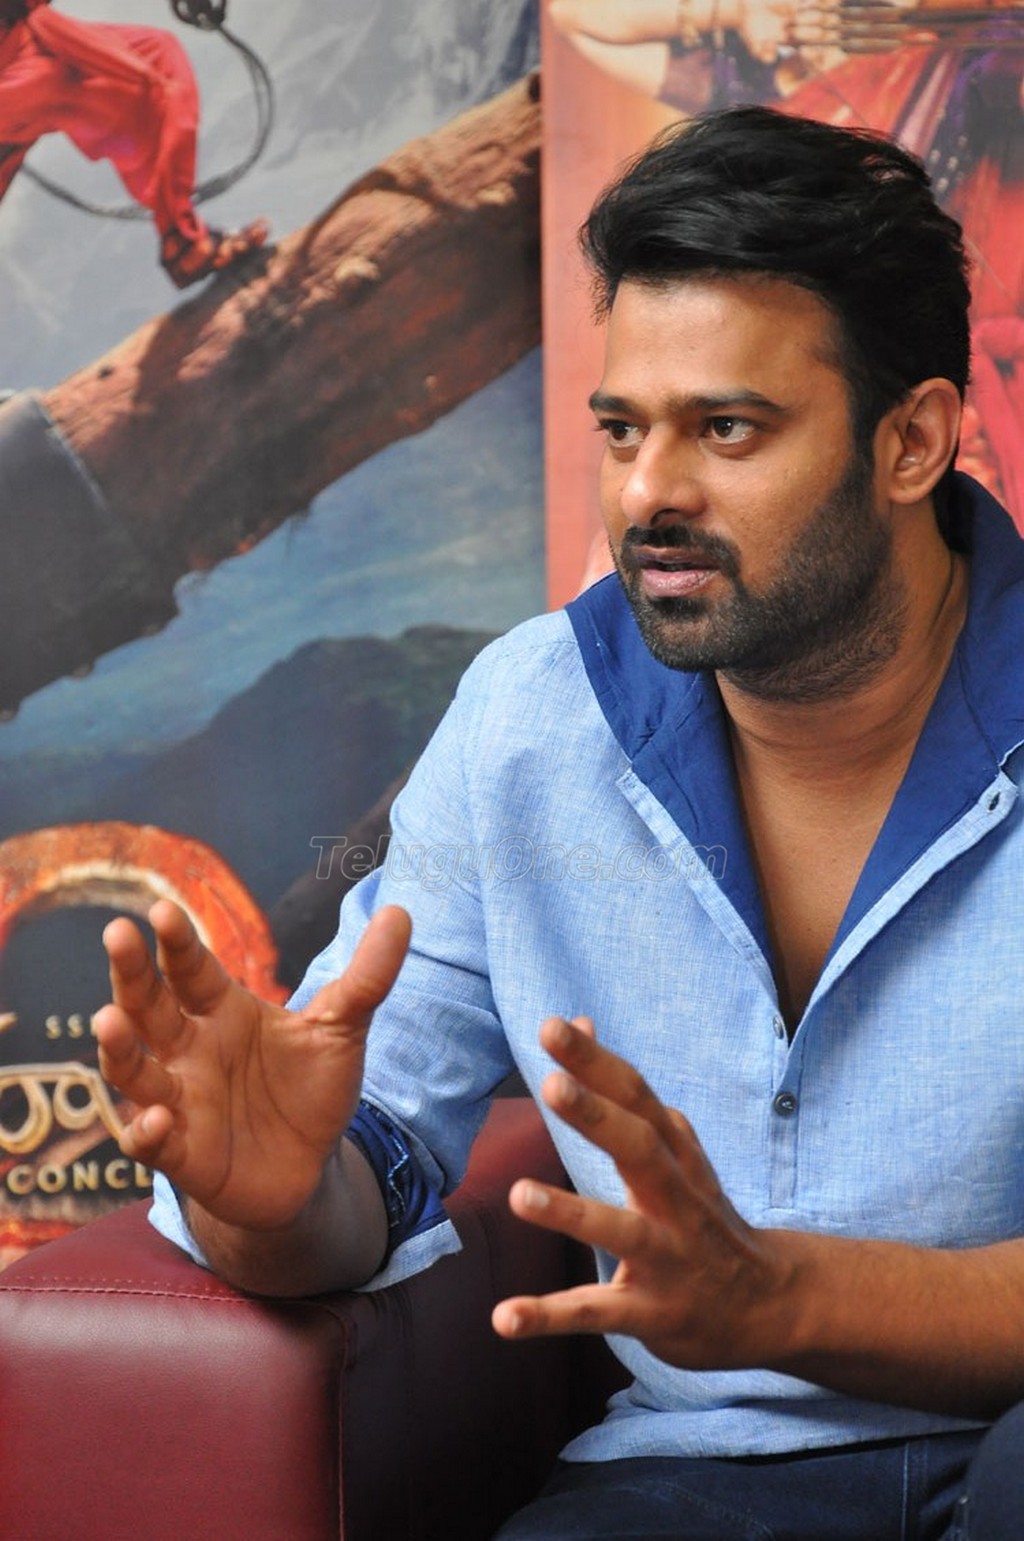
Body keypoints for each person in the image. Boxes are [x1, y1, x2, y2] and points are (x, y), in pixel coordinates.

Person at [94, 106, 1024, 1539]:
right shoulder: (529, 719)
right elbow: (374, 1160)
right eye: (622, 429)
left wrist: (780, 1295)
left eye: (726, 428)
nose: (649, 494)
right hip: (685, 1482)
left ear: (912, 441)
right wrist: (271, 1203)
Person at [0, 0, 267, 288]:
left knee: (158, 55)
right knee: (66, 80)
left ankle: (183, 238)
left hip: (29, 44)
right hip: (28, 63)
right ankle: (183, 241)